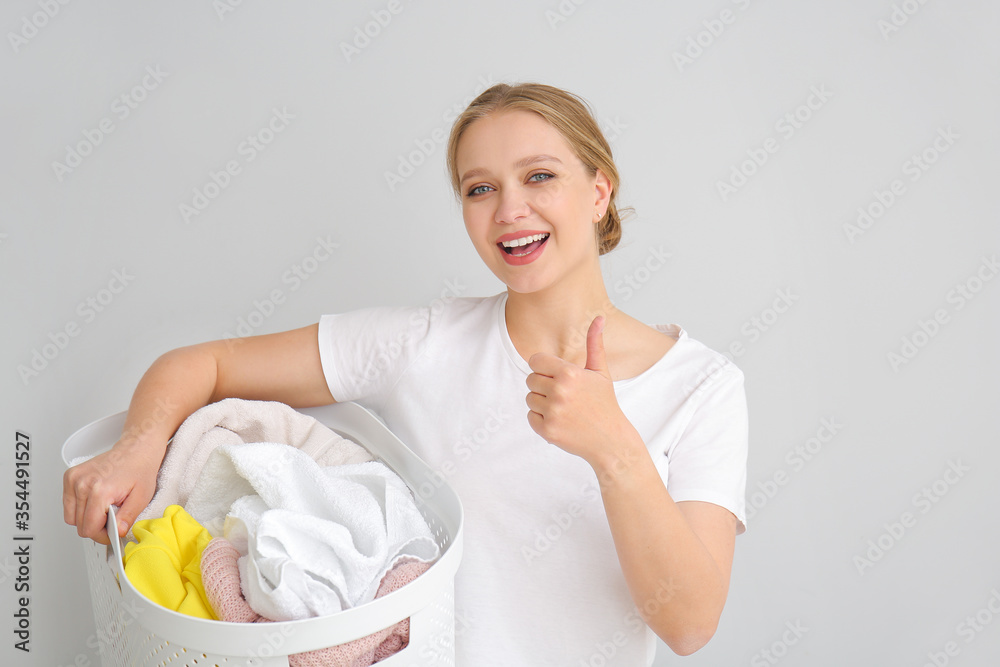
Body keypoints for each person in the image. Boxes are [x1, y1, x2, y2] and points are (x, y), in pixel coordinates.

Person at [63, 82, 748, 665]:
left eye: (539, 175)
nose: (510, 209)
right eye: (480, 188)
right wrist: (136, 448)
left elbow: (690, 622)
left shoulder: (701, 386)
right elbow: (205, 363)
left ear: (599, 190)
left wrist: (614, 447)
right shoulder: (422, 342)